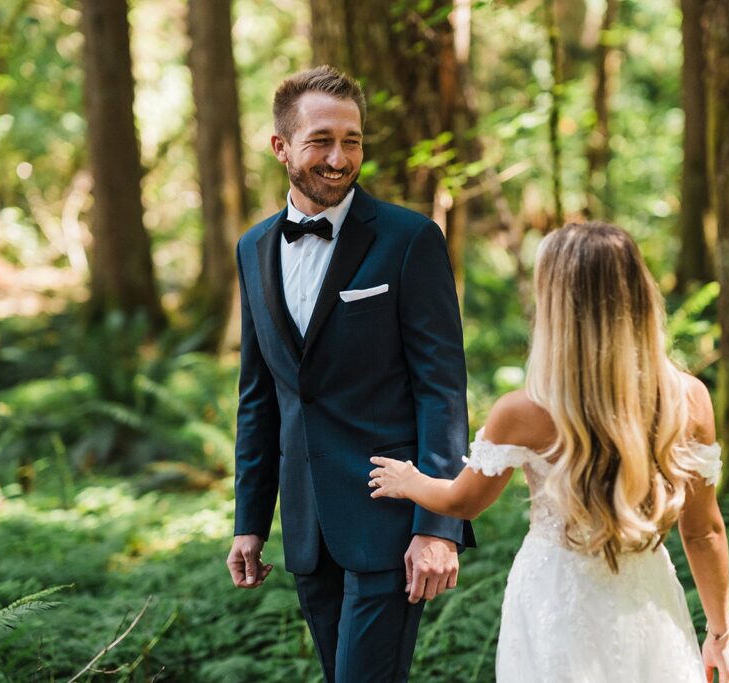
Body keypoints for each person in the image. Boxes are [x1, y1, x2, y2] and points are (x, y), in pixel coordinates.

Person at [369, 222, 729, 682]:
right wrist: (718, 635)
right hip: (646, 594)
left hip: (554, 598)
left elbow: (464, 502)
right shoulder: (689, 398)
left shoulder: (523, 411)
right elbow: (704, 532)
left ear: (557, 306)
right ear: (639, 295)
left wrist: (411, 481)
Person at [225, 65, 474, 683]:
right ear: (281, 147)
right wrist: (250, 523)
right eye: (321, 141)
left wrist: (437, 526)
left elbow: (441, 389)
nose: (339, 158)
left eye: (353, 140)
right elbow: (261, 398)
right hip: (307, 528)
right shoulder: (253, 248)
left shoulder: (410, 239)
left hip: (391, 517)